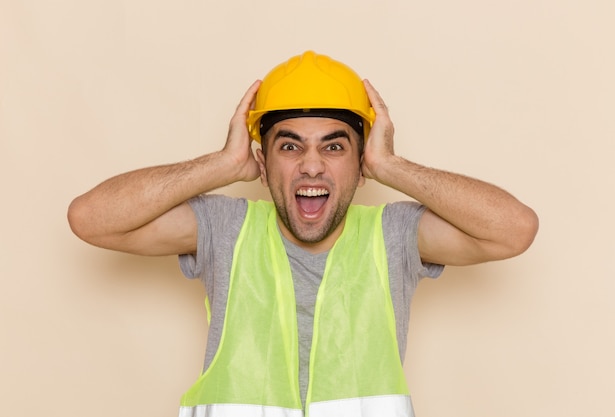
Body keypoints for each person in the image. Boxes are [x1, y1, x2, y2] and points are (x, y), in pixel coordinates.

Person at [68, 50, 538, 417]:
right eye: (289, 145)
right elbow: (91, 218)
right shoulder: (226, 230)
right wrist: (222, 165)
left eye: (334, 146)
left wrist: (392, 166)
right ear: (263, 161)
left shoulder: (393, 237)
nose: (311, 164)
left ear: (360, 163)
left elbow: (514, 230)